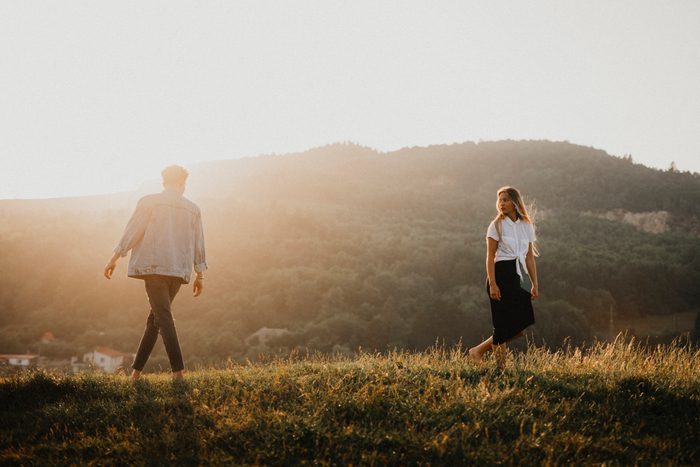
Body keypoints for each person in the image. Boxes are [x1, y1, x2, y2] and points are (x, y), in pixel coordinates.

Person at [103, 165, 207, 381]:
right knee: (156, 319)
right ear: (183, 183)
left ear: (163, 181)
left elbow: (132, 232)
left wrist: (113, 259)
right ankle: (136, 373)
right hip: (179, 271)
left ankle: (178, 372)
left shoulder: (149, 201)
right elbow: (199, 244)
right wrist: (200, 274)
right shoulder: (193, 209)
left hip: (154, 268)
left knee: (163, 317)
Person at [468, 186, 538, 365]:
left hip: (514, 277)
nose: (502, 203)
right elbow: (490, 257)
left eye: (506, 200)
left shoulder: (526, 226)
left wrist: (534, 283)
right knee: (502, 326)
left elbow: (529, 258)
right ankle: (501, 370)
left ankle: (477, 351)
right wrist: (492, 283)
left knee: (519, 325)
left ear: (515, 202)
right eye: (500, 200)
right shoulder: (496, 225)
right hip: (499, 275)